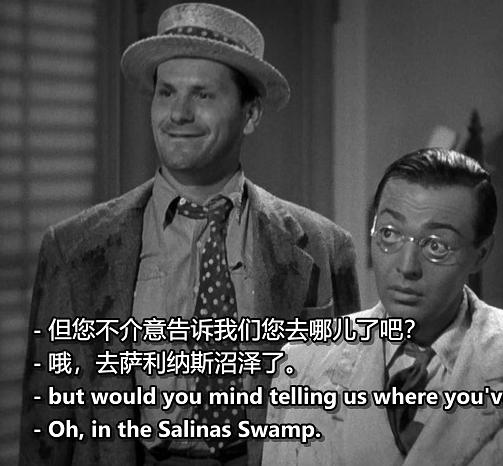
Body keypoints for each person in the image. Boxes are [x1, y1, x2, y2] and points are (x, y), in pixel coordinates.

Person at [19, 3, 360, 466]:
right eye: (166, 93)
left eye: (202, 95)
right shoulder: (74, 248)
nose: (178, 113)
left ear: (251, 114)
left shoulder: (322, 247)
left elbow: (346, 420)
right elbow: (45, 430)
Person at [263, 148, 503, 465]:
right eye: (389, 234)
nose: (406, 266)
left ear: (481, 254)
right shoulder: (303, 361)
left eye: (437, 245)